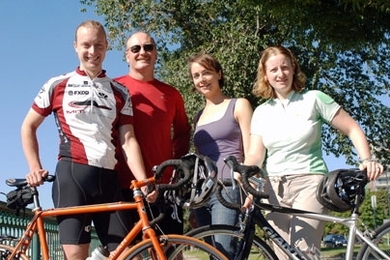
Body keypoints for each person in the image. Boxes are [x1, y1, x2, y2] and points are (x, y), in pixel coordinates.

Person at [21, 20, 156, 260]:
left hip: (108, 180)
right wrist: (34, 166)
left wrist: (143, 179)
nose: (92, 52)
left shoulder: (120, 92)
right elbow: (28, 126)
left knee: (129, 255)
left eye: (98, 45)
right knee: (76, 256)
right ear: (75, 46)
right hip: (72, 177)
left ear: (106, 47)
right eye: (86, 45)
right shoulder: (57, 85)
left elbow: (128, 140)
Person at [244, 45, 385, 259]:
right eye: (273, 70)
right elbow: (256, 155)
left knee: (303, 252)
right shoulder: (261, 112)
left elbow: (352, 128)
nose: (280, 74)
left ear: (293, 68)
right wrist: (244, 172)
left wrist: (367, 159)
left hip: (310, 182)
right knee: (282, 255)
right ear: (265, 75)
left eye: (285, 67)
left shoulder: (314, 98)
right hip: (274, 188)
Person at [114, 31, 191, 235]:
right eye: (135, 48)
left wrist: (175, 171)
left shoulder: (171, 94)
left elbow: (183, 133)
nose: (142, 52)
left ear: (156, 54)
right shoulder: (113, 87)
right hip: (122, 184)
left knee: (172, 249)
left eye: (148, 47)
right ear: (127, 55)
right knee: (130, 253)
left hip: (164, 186)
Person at [187, 53, 253, 258]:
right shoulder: (198, 116)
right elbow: (199, 159)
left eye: (206, 73)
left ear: (219, 73)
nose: (201, 80)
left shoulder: (239, 104)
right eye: (196, 76)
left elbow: (252, 150)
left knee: (224, 253)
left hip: (228, 187)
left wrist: (249, 186)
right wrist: (192, 205)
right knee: (212, 252)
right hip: (201, 191)